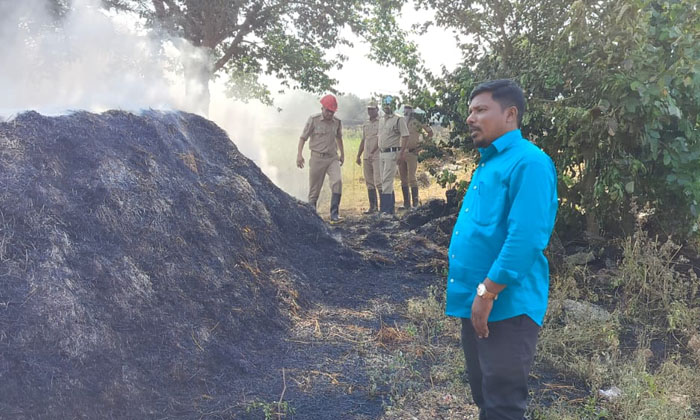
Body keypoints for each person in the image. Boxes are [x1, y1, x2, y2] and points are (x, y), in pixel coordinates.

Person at [445, 79, 558, 420]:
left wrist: (488, 291)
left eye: (481, 110)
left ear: (510, 115)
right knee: (485, 397)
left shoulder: (529, 163)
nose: (470, 118)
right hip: (476, 301)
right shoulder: (490, 163)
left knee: (503, 406)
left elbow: (525, 239)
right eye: (470, 111)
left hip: (505, 307)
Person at [296, 94, 345, 222]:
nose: (330, 114)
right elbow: (303, 138)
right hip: (317, 158)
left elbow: (339, 138)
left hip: (332, 158)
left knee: (337, 181)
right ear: (322, 108)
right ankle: (312, 217)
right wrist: (299, 154)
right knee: (314, 189)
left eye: (332, 112)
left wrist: (342, 154)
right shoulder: (313, 120)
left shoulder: (337, 122)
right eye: (328, 111)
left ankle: (334, 214)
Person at [377, 95, 409, 214]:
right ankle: (388, 209)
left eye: (389, 104)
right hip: (382, 153)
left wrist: (401, 153)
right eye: (384, 104)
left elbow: (405, 136)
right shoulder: (381, 120)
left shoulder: (398, 119)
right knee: (383, 181)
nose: (387, 107)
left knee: (386, 181)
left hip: (392, 153)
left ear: (394, 106)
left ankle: (386, 211)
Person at [399, 104, 433, 209]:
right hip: (401, 152)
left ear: (412, 111)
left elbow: (430, 133)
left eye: (408, 110)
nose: (406, 112)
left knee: (412, 178)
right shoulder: (401, 121)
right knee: (403, 178)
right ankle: (406, 204)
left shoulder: (418, 121)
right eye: (405, 110)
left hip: (412, 152)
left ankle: (415, 204)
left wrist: (421, 146)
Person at [356, 100, 381, 214]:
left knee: (378, 181)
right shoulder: (365, 123)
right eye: (368, 109)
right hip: (366, 156)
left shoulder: (381, 122)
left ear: (377, 109)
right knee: (369, 182)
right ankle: (373, 207)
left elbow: (381, 139)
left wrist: (373, 150)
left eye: (372, 109)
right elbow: (363, 139)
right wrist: (358, 155)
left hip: (377, 155)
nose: (370, 111)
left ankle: (384, 207)